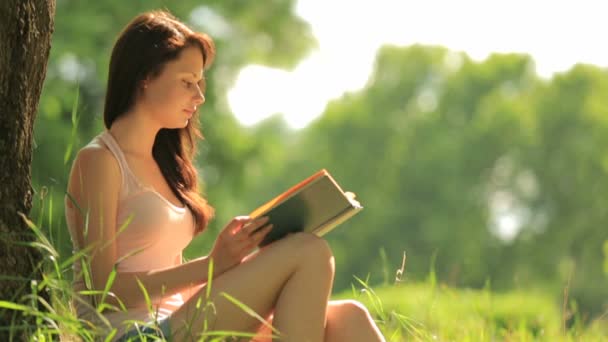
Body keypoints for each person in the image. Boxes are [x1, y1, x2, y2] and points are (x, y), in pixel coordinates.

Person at [65, 9, 385, 342]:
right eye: (187, 82)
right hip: (132, 334)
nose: (199, 96)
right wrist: (212, 266)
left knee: (349, 317)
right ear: (146, 76)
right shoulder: (100, 161)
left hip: (176, 321)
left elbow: (170, 286)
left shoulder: (165, 166)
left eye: (199, 84)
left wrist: (240, 262)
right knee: (308, 252)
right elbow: (100, 292)